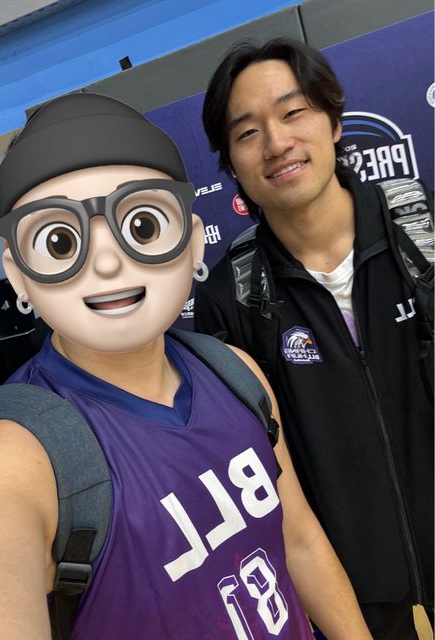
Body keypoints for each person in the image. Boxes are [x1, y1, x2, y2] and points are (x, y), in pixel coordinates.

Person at [0, 92, 372, 639]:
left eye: (143, 226)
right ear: (20, 276)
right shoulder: (8, 459)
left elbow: (298, 540)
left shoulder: (236, 373)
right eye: (60, 241)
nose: (107, 262)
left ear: (193, 242)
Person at [194, 37, 434, 639]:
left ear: (334, 120)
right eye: (247, 132)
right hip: (349, 588)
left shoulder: (426, 232)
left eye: (293, 112)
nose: (277, 143)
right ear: (231, 163)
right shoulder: (232, 298)